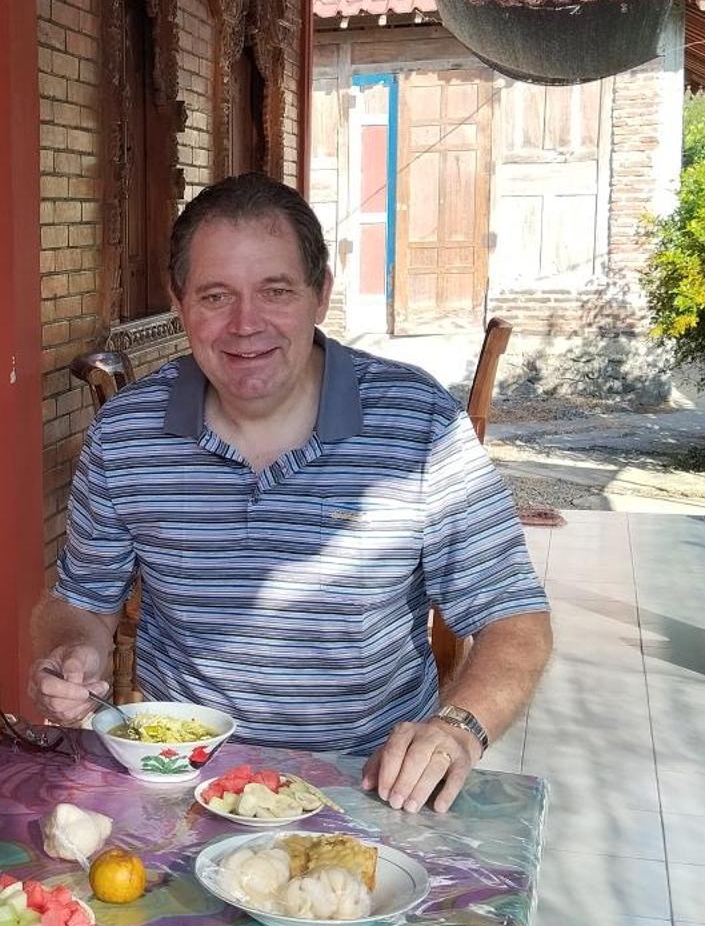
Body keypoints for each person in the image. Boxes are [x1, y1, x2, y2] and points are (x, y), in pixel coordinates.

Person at [31, 174, 551, 815]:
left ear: (320, 294)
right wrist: (72, 650)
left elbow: (514, 619)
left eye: (275, 291)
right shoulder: (126, 432)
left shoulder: (417, 422)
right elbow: (81, 600)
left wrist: (459, 728)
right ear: (180, 303)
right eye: (215, 295)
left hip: (369, 782)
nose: (245, 325)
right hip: (182, 777)